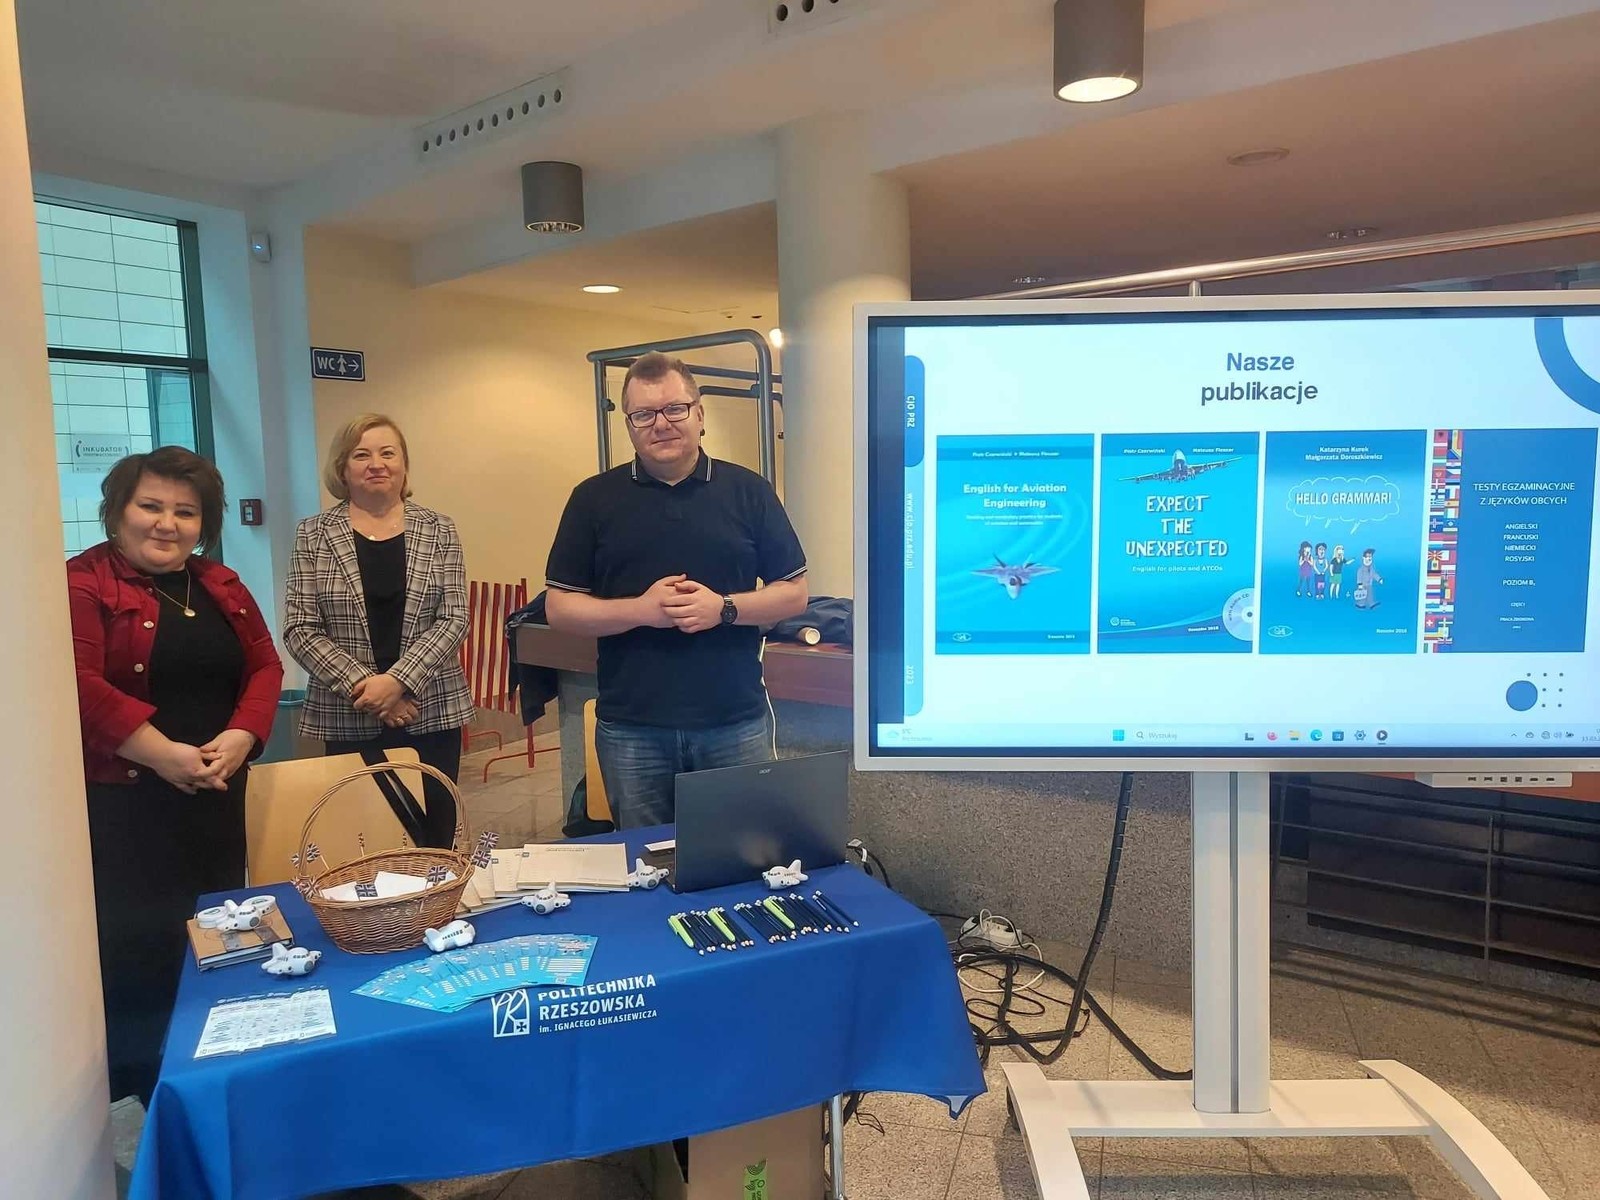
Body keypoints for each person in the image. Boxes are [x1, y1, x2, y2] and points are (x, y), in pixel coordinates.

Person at [68, 447, 284, 1105]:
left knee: (217, 933)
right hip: (127, 806)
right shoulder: (82, 582)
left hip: (214, 796)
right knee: (140, 953)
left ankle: (210, 1071)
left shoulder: (220, 583)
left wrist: (243, 736)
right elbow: (78, 682)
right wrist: (162, 752)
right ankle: (151, 1096)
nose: (167, 523)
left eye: (185, 512)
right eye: (150, 506)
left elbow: (265, 667)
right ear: (117, 510)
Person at [545, 352, 809, 829]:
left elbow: (794, 593)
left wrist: (723, 608)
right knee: (646, 862)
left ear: (699, 414)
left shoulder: (749, 491)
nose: (661, 424)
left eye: (674, 409)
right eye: (643, 414)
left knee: (742, 856)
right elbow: (560, 608)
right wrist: (642, 610)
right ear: (628, 425)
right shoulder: (592, 500)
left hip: (734, 724)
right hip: (632, 729)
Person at [283, 414, 472, 848]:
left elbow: (454, 618)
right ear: (342, 468)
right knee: (361, 841)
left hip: (430, 708)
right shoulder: (312, 534)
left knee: (435, 839)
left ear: (404, 464)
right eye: (361, 455)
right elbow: (300, 627)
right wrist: (369, 688)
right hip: (349, 711)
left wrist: (399, 682)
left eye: (388, 453)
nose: (376, 464)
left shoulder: (439, 529)